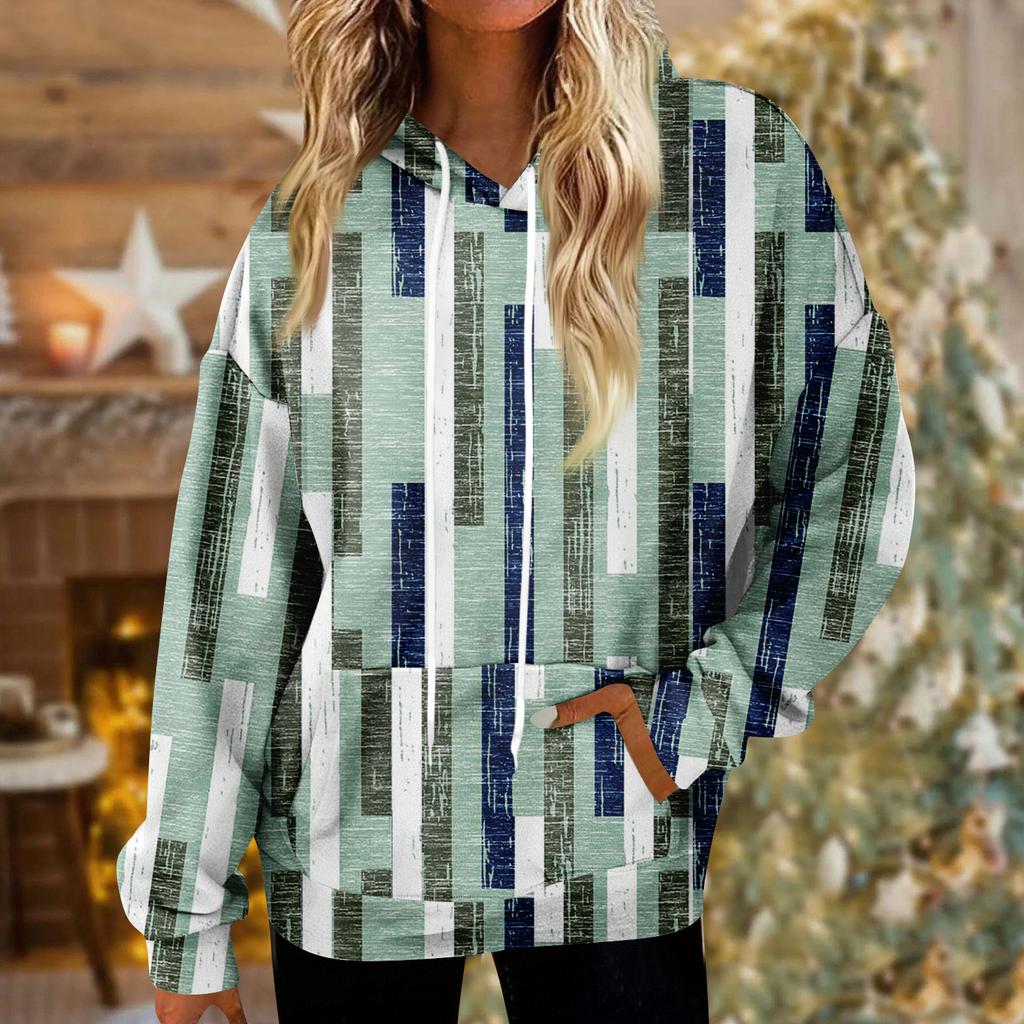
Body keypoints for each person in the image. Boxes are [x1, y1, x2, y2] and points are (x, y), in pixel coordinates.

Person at [115, 0, 917, 1021]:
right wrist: (185, 918)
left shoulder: (735, 166)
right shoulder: (310, 224)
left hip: (614, 855)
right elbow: (233, 591)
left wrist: (712, 702)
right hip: (355, 867)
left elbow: (855, 465)